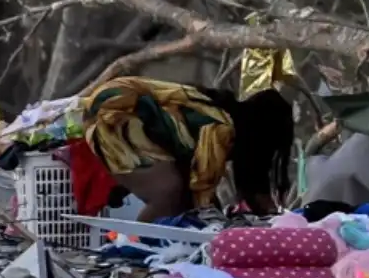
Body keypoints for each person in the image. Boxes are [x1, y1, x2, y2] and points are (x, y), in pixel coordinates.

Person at [80, 77, 294, 222]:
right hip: (115, 109)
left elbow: (195, 188)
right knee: (167, 192)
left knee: (178, 195)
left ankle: (138, 246)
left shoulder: (213, 114)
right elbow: (203, 192)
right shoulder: (222, 126)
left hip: (112, 103)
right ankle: (131, 252)